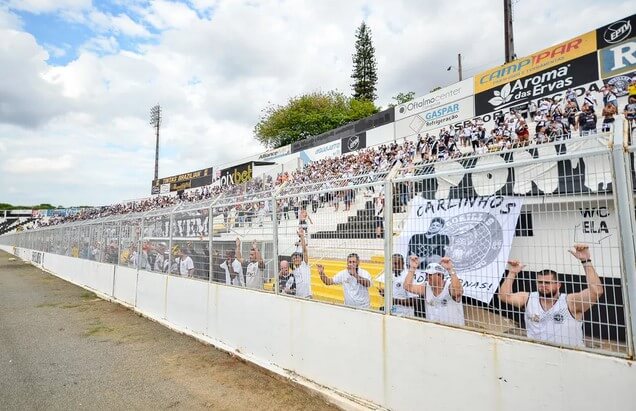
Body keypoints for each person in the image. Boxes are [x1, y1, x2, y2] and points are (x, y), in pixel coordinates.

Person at [498, 244, 604, 347]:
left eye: (547, 283)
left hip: (568, 356)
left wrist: (586, 261)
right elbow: (504, 296)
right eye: (540, 282)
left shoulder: (570, 302)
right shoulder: (528, 298)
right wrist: (512, 272)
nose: (543, 286)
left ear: (558, 285)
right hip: (537, 354)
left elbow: (596, 292)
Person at [404, 255, 465, 326]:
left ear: (439, 275)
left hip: (454, 331)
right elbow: (407, 287)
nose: (427, 277)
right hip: (434, 331)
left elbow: (457, 292)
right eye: (427, 274)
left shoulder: (449, 286)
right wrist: (412, 268)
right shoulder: (426, 287)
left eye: (430, 275)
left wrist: (450, 269)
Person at [291, 228, 312, 298]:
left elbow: (305, 251)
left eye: (297, 257)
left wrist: (302, 237)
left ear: (301, 258)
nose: (295, 259)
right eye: (294, 258)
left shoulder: (304, 265)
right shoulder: (293, 272)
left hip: (307, 296)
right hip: (298, 297)